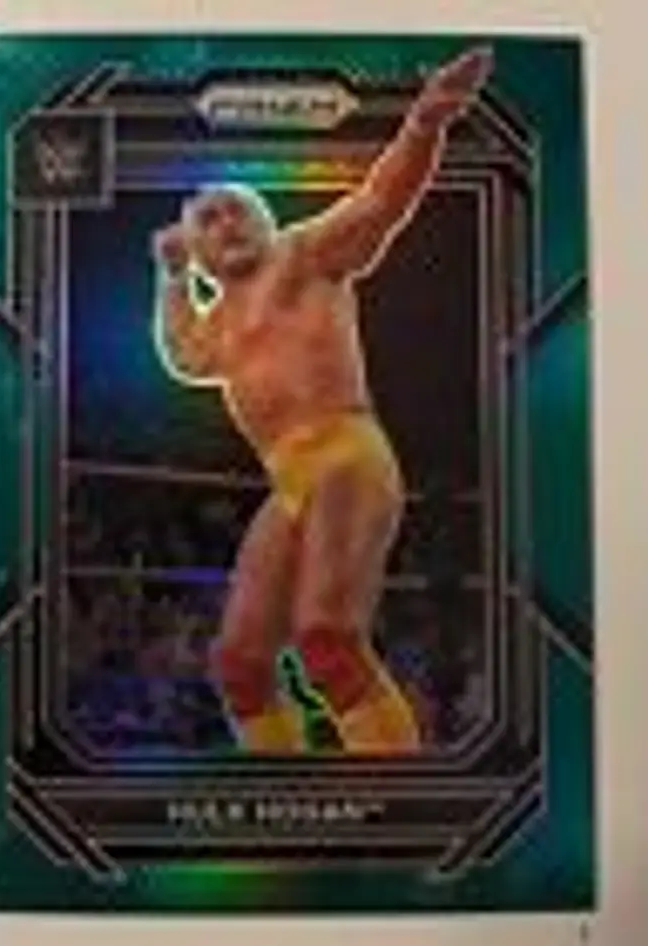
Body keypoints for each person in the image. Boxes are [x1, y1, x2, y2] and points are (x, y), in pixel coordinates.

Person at [151, 47, 493, 754]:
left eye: (239, 209)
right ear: (199, 250)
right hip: (288, 481)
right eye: (208, 219)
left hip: (346, 455)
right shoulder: (216, 325)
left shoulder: (304, 255)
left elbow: (380, 202)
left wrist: (424, 123)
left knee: (327, 642)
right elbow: (182, 355)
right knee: (240, 665)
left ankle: (392, 796)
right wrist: (173, 280)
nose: (227, 223)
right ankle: (285, 789)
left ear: (267, 220)